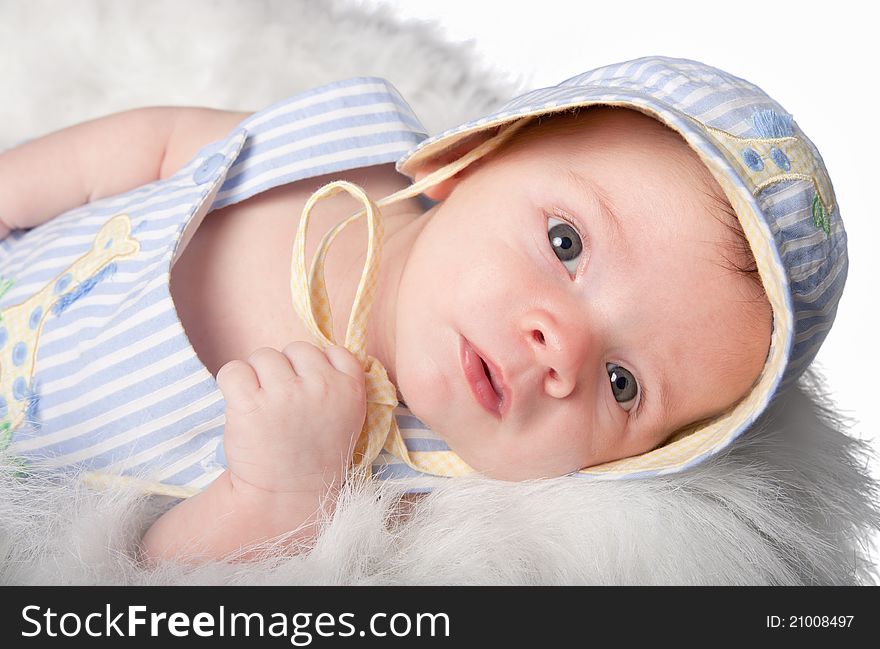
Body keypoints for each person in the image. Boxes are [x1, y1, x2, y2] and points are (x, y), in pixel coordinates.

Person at [0, 56, 847, 563]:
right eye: (565, 244)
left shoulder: (410, 485)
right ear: (470, 157)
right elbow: (148, 145)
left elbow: (117, 572)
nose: (560, 348)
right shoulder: (337, 146)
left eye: (624, 384)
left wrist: (275, 497)